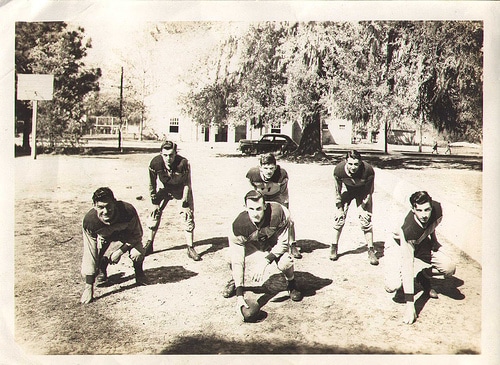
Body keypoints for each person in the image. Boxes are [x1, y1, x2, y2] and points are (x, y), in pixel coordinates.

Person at [222, 190, 303, 311]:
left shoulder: (278, 213)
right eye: (251, 209)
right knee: (230, 257)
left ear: (265, 206)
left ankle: (291, 284)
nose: (255, 214)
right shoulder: (238, 225)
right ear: (245, 208)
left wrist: (264, 262)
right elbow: (237, 259)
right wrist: (240, 295)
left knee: (285, 262)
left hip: (272, 241)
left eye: (259, 208)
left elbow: (284, 243)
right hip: (253, 243)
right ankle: (235, 281)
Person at [384, 191, 456, 324]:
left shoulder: (438, 209)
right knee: (392, 285)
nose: (424, 215)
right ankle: (398, 279)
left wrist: (434, 240)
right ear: (413, 210)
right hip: (398, 243)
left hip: (420, 241)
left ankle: (423, 276)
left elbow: (431, 225)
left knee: (449, 267)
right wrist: (410, 306)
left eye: (427, 209)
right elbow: (408, 266)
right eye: (419, 210)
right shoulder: (409, 229)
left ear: (431, 207)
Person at [80, 187, 147, 304]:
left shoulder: (128, 211)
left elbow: (137, 235)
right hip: (105, 237)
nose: (105, 211)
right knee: (94, 261)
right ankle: (102, 267)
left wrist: (120, 251)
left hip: (126, 237)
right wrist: (88, 287)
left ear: (114, 203)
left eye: (108, 206)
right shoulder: (90, 222)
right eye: (101, 207)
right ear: (94, 205)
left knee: (138, 253)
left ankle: (139, 273)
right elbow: (89, 253)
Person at [145, 140, 200, 261]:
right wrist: (154, 202)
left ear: (176, 153)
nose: (168, 158)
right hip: (165, 188)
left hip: (180, 190)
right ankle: (149, 243)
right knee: (153, 214)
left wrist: (185, 202)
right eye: (165, 155)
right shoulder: (155, 163)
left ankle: (190, 247)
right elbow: (151, 184)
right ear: (161, 154)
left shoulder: (183, 163)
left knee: (187, 216)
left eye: (171, 155)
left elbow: (187, 183)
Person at [246, 153, 302, 259]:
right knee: (255, 217)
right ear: (260, 168)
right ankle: (259, 241)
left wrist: (285, 209)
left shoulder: (281, 175)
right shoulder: (252, 174)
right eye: (265, 168)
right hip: (260, 196)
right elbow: (251, 191)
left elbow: (284, 194)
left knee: (289, 219)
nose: (269, 171)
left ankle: (292, 244)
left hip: (276, 197)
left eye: (271, 168)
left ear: (275, 167)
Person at [331, 150, 378, 265]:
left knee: (365, 220)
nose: (353, 167)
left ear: (360, 163)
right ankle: (333, 246)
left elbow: (369, 192)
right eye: (350, 164)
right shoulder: (339, 170)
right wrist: (339, 208)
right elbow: (337, 191)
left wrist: (362, 208)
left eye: (356, 164)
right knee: (339, 219)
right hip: (348, 190)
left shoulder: (368, 170)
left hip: (363, 192)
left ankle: (371, 250)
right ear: (346, 162)